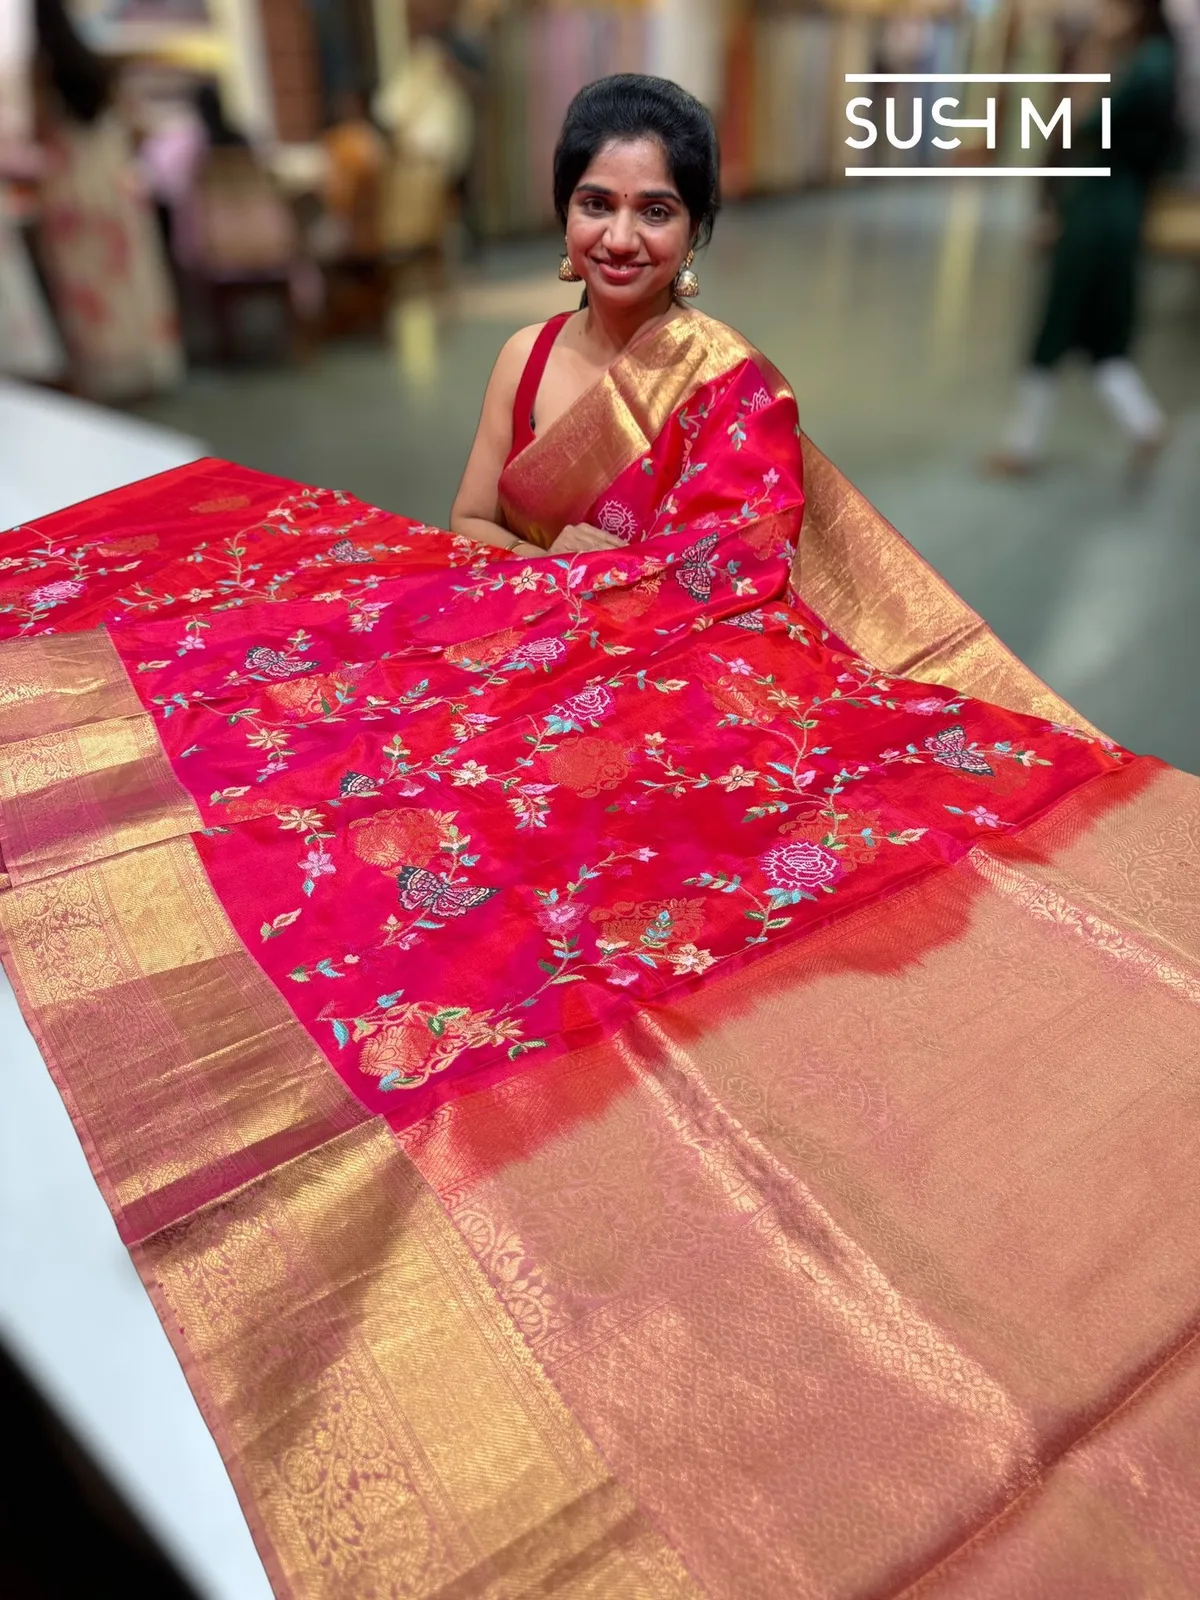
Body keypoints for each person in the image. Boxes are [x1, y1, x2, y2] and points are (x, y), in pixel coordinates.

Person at [2, 73, 1200, 1599]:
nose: (621, 234)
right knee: (331, 778)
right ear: (563, 213)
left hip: (682, 682)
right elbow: (471, 535)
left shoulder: (729, 383)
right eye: (596, 202)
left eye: (656, 208)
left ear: (697, 229)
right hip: (537, 651)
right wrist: (545, 585)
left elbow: (730, 578)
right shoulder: (526, 357)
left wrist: (576, 584)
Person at [991, 0, 1179, 472]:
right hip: (1107, 206)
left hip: (1100, 211)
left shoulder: (1146, 64)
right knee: (1101, 327)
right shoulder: (1145, 59)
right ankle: (1143, 423)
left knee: (1061, 318)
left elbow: (1084, 124)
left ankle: (1022, 445)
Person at [30, 0, 181, 400]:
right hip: (116, 185)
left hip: (70, 193)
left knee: (90, 291)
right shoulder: (99, 64)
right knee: (130, 282)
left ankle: (108, 377)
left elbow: (38, 136)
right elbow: (134, 126)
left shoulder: (40, 72)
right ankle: (148, 367)